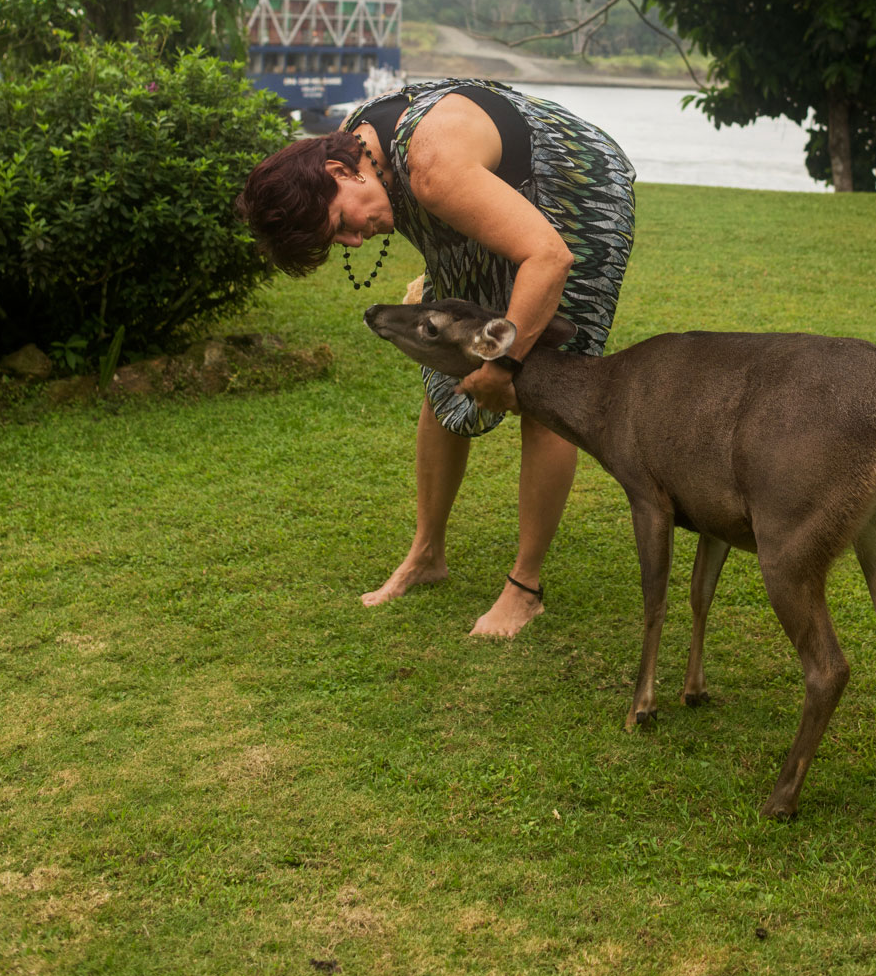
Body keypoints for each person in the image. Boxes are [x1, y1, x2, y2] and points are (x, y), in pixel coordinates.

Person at [237, 78, 635, 638]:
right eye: (339, 243)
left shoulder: (431, 164)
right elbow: (453, 217)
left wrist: (504, 364)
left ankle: (525, 587)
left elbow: (546, 255)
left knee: (545, 383)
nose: (353, 243)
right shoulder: (359, 146)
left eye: (341, 226)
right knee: (443, 376)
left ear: (336, 175)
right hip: (485, 191)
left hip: (572, 185)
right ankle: (427, 556)